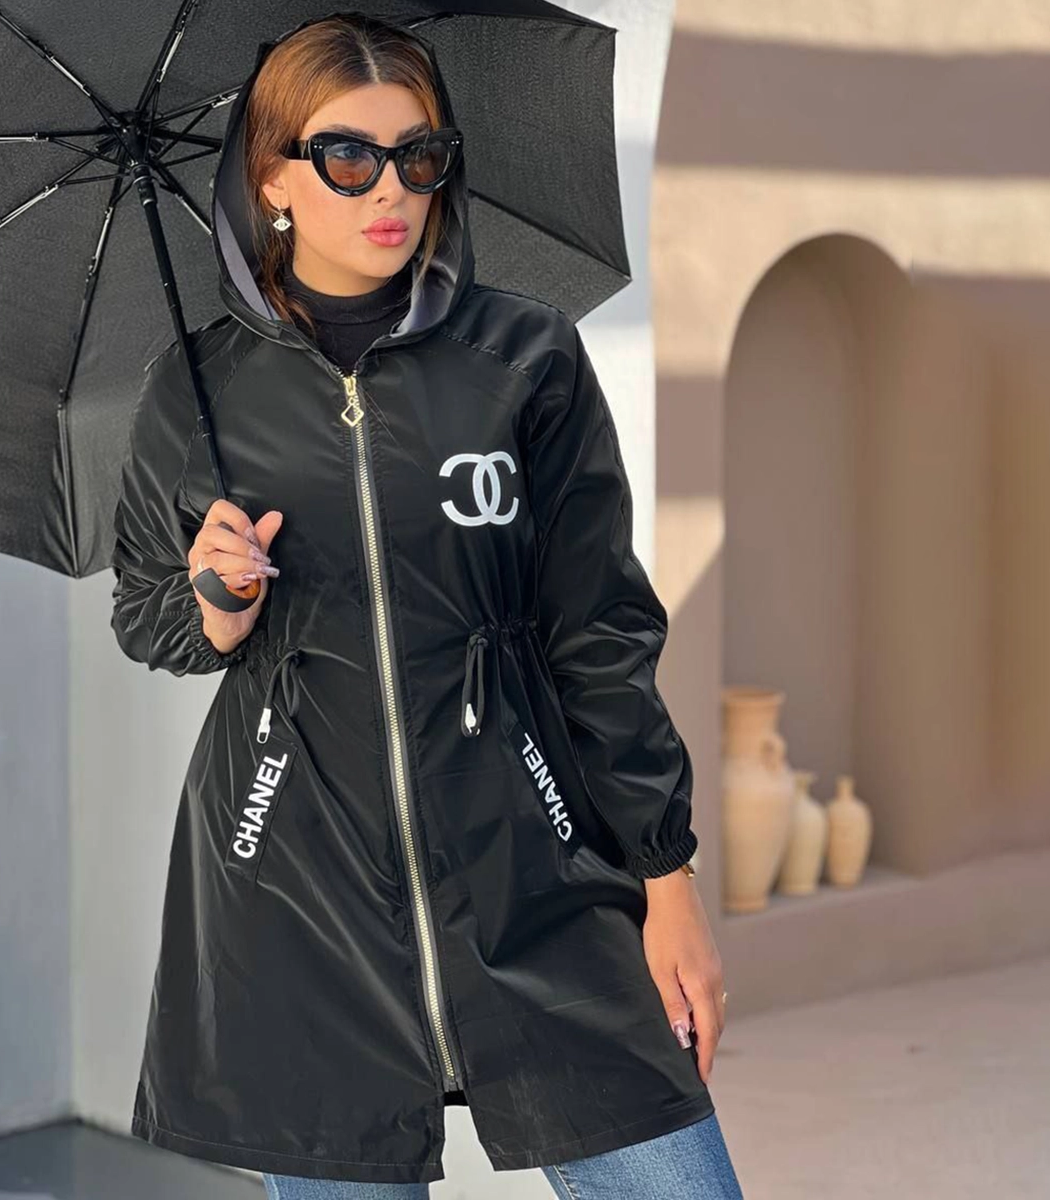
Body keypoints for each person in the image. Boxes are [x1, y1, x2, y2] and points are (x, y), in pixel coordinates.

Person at [109, 12, 743, 1200]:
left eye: (420, 156)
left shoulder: (524, 357)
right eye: (349, 157)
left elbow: (600, 629)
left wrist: (667, 880)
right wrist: (218, 600)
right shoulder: (196, 393)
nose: (391, 189)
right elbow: (147, 613)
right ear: (272, 176)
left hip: (537, 871)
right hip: (296, 898)